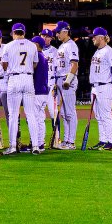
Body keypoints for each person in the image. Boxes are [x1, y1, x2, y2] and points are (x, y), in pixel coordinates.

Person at [3, 23, 38, 155]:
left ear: (13, 33)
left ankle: (12, 146)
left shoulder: (8, 46)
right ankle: (35, 146)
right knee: (31, 114)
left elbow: (4, 65)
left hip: (14, 78)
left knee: (13, 115)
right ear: (24, 32)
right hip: (28, 78)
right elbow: (35, 64)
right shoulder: (32, 45)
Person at [88, 27, 112, 151]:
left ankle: (110, 142)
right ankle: (103, 140)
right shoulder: (97, 51)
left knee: (106, 115)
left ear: (101, 37)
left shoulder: (109, 51)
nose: (92, 39)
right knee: (99, 116)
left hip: (105, 86)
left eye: (94, 37)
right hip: (95, 87)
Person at [54, 21, 80, 149]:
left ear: (65, 31)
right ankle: (65, 140)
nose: (57, 34)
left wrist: (68, 80)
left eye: (58, 32)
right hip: (59, 79)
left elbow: (74, 65)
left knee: (70, 112)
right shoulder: (62, 46)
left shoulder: (71, 45)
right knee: (63, 113)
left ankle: (71, 141)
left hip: (67, 80)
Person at [29, 35, 51, 154]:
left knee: (35, 118)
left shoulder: (37, 56)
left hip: (37, 91)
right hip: (43, 91)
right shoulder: (43, 56)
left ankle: (36, 143)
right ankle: (40, 143)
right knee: (40, 119)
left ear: (36, 45)